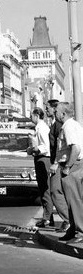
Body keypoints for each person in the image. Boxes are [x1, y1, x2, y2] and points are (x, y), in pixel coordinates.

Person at [54, 102, 83, 242]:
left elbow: (76, 149)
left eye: (56, 111)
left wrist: (67, 167)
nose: (55, 113)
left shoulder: (69, 127)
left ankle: (80, 232)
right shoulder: (71, 125)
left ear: (63, 114)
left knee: (75, 200)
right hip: (73, 165)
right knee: (70, 201)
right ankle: (73, 229)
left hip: (72, 166)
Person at [28, 107, 54, 228]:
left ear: (37, 116)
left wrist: (33, 149)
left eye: (31, 115)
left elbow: (45, 147)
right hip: (40, 158)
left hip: (43, 159)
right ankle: (48, 217)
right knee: (43, 188)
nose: (30, 118)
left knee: (45, 189)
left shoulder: (42, 128)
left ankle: (47, 218)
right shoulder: (39, 128)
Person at [47, 99, 70, 231]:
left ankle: (68, 220)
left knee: (55, 191)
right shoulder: (56, 124)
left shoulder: (60, 125)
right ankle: (68, 221)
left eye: (49, 108)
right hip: (58, 162)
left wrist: (55, 162)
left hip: (60, 162)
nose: (47, 110)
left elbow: (60, 147)